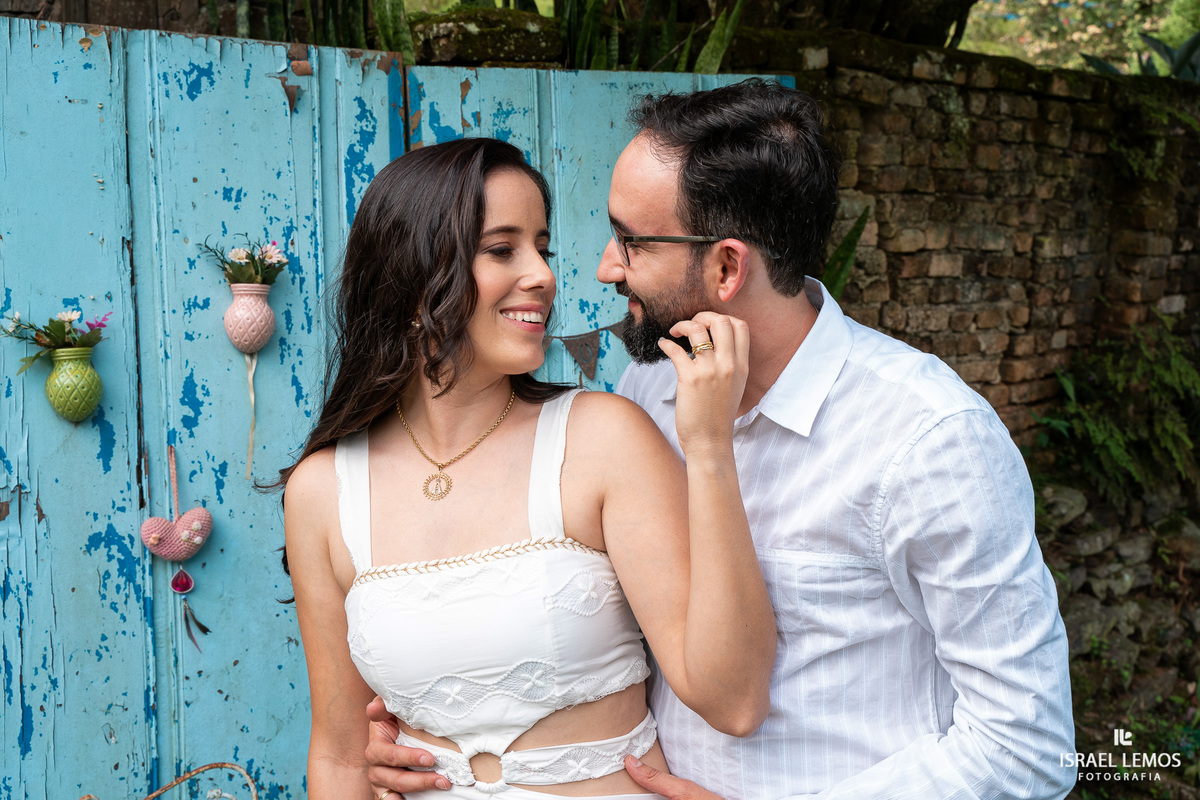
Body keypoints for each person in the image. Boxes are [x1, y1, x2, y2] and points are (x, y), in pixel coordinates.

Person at [365, 80, 1076, 799]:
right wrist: (434, 733)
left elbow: (1027, 747)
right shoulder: (648, 388)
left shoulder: (928, 441)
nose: (606, 268)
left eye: (632, 241)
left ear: (728, 267)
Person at [282, 136, 777, 800]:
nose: (543, 275)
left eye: (542, 248)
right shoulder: (322, 492)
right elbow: (341, 755)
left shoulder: (602, 439)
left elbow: (734, 699)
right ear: (410, 277)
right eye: (501, 249)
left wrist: (710, 448)